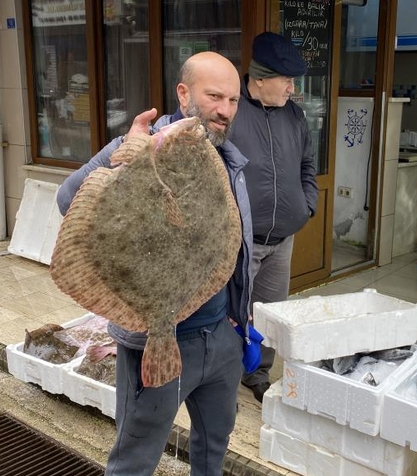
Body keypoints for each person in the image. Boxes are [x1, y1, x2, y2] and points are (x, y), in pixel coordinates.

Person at [56, 52, 253, 476]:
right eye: (215, 95)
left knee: (213, 446)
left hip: (220, 335)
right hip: (156, 339)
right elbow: (68, 200)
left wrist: (240, 325)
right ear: (184, 94)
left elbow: (229, 245)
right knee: (135, 458)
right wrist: (124, 157)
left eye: (234, 100)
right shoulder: (136, 147)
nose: (225, 110)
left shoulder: (225, 154)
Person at [228, 32, 318, 402]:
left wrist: (306, 204)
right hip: (240, 241)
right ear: (260, 79)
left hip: (282, 240)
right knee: (231, 313)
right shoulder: (231, 113)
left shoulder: (294, 115)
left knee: (269, 314)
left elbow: (308, 165)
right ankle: (222, 379)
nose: (292, 89)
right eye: (287, 80)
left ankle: (258, 373)